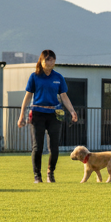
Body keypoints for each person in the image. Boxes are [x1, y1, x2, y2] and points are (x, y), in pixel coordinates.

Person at [18, 49, 78, 183]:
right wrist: (21, 115)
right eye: (48, 60)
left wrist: (72, 111)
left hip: (54, 115)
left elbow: (64, 97)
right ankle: (37, 176)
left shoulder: (58, 77)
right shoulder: (34, 76)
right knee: (37, 147)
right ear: (41, 61)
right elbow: (27, 97)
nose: (50, 62)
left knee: (54, 147)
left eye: (53, 60)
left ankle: (50, 173)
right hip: (37, 114)